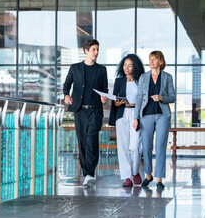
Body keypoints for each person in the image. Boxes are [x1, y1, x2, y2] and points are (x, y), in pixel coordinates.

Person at [63, 39, 108, 187]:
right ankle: (87, 173)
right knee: (82, 142)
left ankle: (90, 174)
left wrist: (103, 98)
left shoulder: (101, 70)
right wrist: (66, 95)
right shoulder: (75, 68)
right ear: (86, 51)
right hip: (80, 111)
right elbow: (67, 84)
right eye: (94, 50)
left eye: (97, 50)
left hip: (95, 110)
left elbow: (104, 90)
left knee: (91, 141)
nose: (96, 53)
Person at [133, 50, 175, 190]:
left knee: (160, 146)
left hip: (163, 115)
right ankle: (148, 175)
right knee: (146, 146)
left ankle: (159, 179)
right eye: (150, 59)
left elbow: (172, 97)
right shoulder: (143, 78)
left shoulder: (167, 77)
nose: (151, 61)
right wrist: (136, 117)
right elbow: (139, 98)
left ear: (161, 62)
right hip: (146, 115)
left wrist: (162, 98)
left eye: (154, 59)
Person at [109, 54, 145, 187]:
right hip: (122, 114)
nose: (127, 68)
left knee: (135, 146)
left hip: (136, 114)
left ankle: (135, 172)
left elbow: (144, 100)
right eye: (125, 65)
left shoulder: (141, 81)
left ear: (135, 67)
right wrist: (117, 103)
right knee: (123, 147)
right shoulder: (119, 81)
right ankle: (126, 177)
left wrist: (139, 117)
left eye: (130, 65)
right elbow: (115, 101)